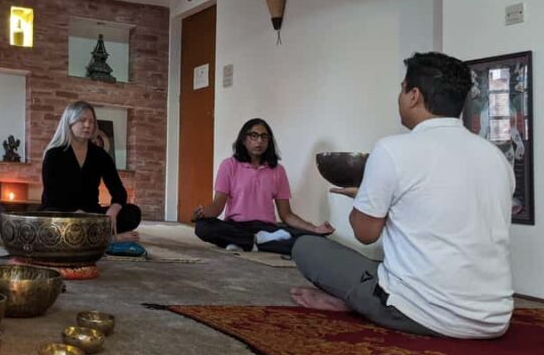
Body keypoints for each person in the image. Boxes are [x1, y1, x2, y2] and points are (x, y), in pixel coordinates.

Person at [291, 52, 514, 339]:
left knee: (307, 247)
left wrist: (364, 199)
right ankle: (359, 298)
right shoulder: (495, 156)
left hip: (422, 312)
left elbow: (365, 233)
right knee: (377, 266)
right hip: (494, 319)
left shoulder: (392, 149)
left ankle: (359, 302)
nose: (399, 97)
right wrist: (371, 196)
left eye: (402, 89)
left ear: (413, 96)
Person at [193, 118, 334, 255]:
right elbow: (217, 205)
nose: (259, 141)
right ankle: (257, 241)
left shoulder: (278, 170)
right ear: (244, 140)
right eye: (254, 136)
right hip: (236, 226)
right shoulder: (229, 165)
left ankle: (243, 243)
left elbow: (286, 215)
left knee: (310, 239)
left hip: (266, 228)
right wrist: (202, 214)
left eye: (264, 137)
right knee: (202, 227)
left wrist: (315, 229)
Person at [41, 101, 141, 242]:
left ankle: (90, 236)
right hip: (62, 212)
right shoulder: (53, 154)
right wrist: (74, 213)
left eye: (91, 122)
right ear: (69, 123)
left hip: (91, 213)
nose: (87, 125)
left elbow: (119, 191)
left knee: (132, 213)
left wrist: (113, 210)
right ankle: (108, 239)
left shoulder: (100, 155)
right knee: (49, 221)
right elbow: (52, 196)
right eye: (82, 120)